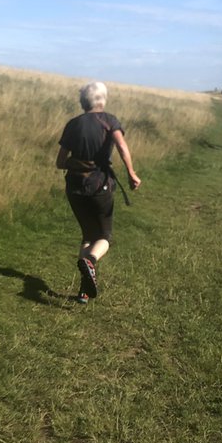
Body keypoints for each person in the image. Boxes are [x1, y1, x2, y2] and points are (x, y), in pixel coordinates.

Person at [56, 82, 141, 303]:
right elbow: (122, 147)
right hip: (100, 186)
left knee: (87, 235)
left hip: (74, 187)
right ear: (102, 100)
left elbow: (60, 162)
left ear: (83, 102)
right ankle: (91, 261)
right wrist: (132, 173)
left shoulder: (73, 124)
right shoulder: (110, 121)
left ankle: (84, 292)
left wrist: (79, 164)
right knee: (104, 237)